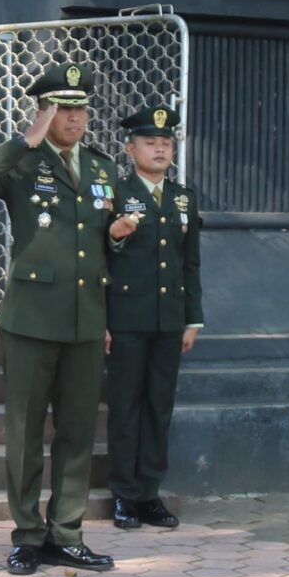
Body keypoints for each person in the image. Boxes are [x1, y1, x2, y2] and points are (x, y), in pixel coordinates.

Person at [0, 61, 115, 577]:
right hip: (30, 319)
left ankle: (65, 534)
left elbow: (102, 248)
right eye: (63, 108)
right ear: (45, 112)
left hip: (86, 319)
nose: (74, 117)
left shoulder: (99, 167)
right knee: (24, 433)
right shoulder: (23, 163)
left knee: (76, 431)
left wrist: (107, 315)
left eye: (80, 108)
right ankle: (27, 535)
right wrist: (25, 139)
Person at [103, 102, 203, 533]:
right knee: (125, 407)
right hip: (125, 318)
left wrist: (193, 319)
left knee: (159, 406)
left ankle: (150, 494)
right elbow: (99, 257)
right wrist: (102, 320)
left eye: (166, 143)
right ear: (130, 148)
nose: (159, 150)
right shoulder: (114, 193)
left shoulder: (183, 198)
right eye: (150, 142)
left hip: (168, 320)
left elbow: (190, 263)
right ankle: (124, 495)